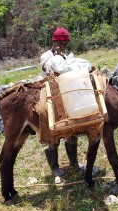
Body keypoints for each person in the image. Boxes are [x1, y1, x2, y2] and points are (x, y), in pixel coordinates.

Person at [40, 27, 80, 177]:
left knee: (72, 129)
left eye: (65, 45)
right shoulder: (47, 56)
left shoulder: (64, 56)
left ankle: (74, 162)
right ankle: (55, 167)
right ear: (55, 42)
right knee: (53, 130)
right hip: (50, 92)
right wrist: (54, 58)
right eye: (60, 44)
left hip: (65, 93)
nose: (62, 47)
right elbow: (47, 68)